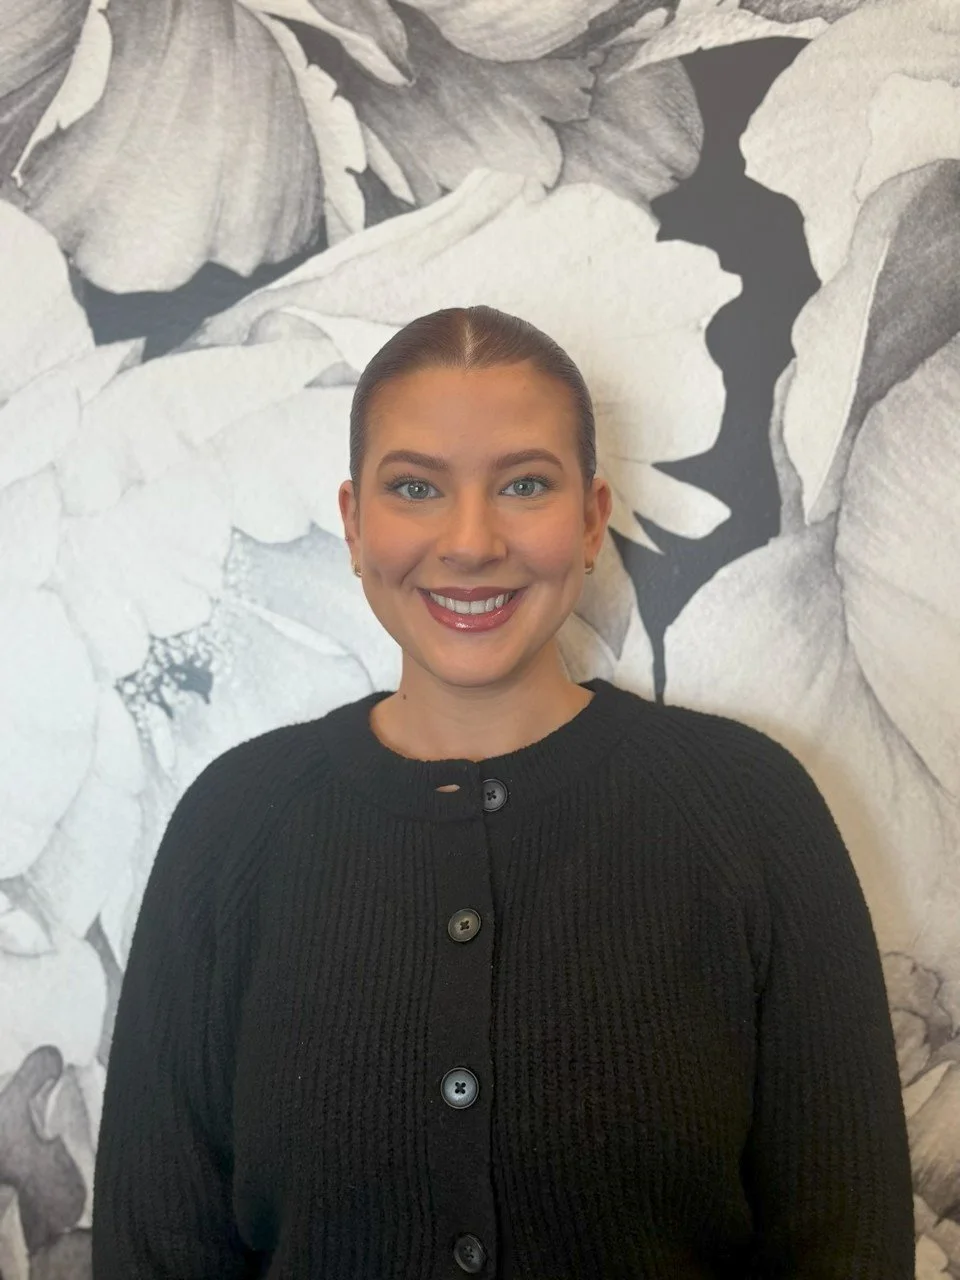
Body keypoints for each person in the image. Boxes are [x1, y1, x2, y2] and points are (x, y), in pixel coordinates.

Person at [92, 305, 914, 1278]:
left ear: (591, 519)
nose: (471, 541)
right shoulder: (230, 829)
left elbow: (847, 1246)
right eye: (416, 487)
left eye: (524, 483)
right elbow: (153, 1254)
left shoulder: (752, 811)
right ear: (354, 524)